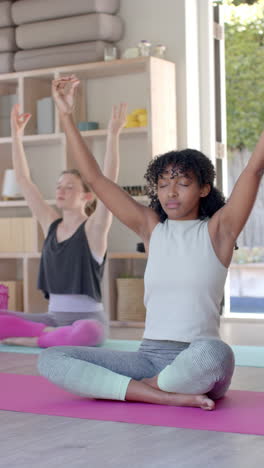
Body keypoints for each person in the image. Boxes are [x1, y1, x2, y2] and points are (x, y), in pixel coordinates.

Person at [38, 75, 263, 410]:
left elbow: (254, 169)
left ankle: (143, 390)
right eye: (162, 184)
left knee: (216, 353)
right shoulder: (151, 228)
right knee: (52, 359)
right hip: (147, 358)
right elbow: (97, 180)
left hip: (195, 360)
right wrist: (66, 115)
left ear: (203, 188)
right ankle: (157, 393)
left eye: (183, 183)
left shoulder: (219, 231)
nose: (171, 192)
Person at [0, 100, 127, 348]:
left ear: (86, 196)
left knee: (89, 332)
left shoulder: (94, 229)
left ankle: (36, 339)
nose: (61, 191)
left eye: (70, 187)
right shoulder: (50, 224)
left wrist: (113, 135)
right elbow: (24, 181)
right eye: (59, 186)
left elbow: (108, 182)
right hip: (52, 319)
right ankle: (48, 335)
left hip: (87, 321)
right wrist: (15, 135)